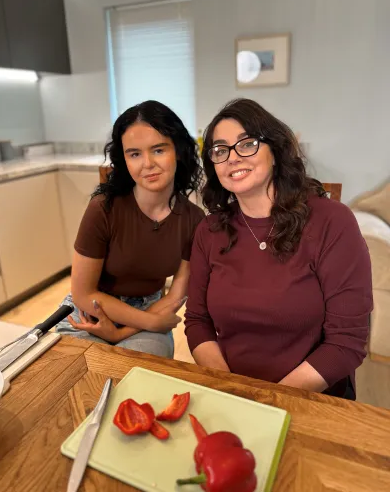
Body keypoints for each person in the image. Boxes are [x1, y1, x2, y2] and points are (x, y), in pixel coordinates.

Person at [185, 98, 372, 398]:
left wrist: (266, 400)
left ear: (276, 150)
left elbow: (347, 342)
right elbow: (197, 322)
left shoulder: (332, 222)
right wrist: (230, 390)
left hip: (312, 397)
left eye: (246, 144)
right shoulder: (209, 231)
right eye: (220, 150)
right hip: (233, 392)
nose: (232, 157)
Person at [57, 100, 204, 358]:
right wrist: (151, 324)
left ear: (178, 151)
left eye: (158, 150)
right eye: (134, 154)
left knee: (138, 383)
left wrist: (121, 333)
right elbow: (82, 293)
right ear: (124, 159)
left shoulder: (194, 218)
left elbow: (176, 296)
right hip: (91, 310)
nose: (147, 164)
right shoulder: (103, 208)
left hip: (150, 309)